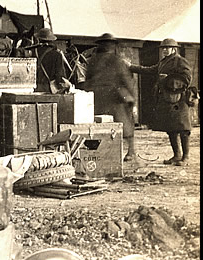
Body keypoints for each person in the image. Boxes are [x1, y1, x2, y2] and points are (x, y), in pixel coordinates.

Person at [129, 38, 193, 166]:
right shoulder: (164, 61)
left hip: (178, 99)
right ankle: (176, 155)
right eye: (163, 48)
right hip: (167, 98)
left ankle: (185, 158)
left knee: (183, 128)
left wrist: (169, 80)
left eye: (167, 48)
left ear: (174, 49)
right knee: (171, 128)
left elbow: (187, 78)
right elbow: (150, 70)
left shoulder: (179, 61)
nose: (164, 50)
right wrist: (131, 67)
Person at [83, 33, 137, 163]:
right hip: (114, 97)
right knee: (124, 123)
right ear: (112, 46)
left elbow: (87, 78)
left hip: (97, 97)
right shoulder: (117, 60)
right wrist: (131, 96)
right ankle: (131, 151)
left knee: (97, 124)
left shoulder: (92, 60)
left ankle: (99, 153)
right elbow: (126, 79)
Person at [33, 27, 72, 93]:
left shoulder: (34, 51)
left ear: (39, 39)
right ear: (51, 40)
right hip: (48, 89)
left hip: (34, 88)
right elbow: (59, 76)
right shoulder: (57, 55)